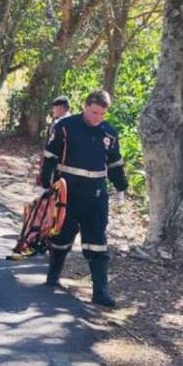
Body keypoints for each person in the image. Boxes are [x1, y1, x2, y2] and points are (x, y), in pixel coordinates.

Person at [39, 90, 128, 307]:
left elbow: (115, 162)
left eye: (102, 114)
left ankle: (100, 292)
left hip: (96, 196)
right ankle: (53, 276)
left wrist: (121, 187)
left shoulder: (109, 132)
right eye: (94, 112)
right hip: (67, 193)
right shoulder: (65, 126)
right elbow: (50, 156)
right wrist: (45, 184)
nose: (98, 117)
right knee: (61, 237)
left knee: (97, 242)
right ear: (85, 107)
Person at [38, 95, 72, 188]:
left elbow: (51, 150)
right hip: (70, 167)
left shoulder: (59, 124)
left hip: (57, 164)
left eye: (55, 107)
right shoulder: (75, 123)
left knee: (52, 190)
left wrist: (45, 175)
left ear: (61, 108)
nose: (53, 110)